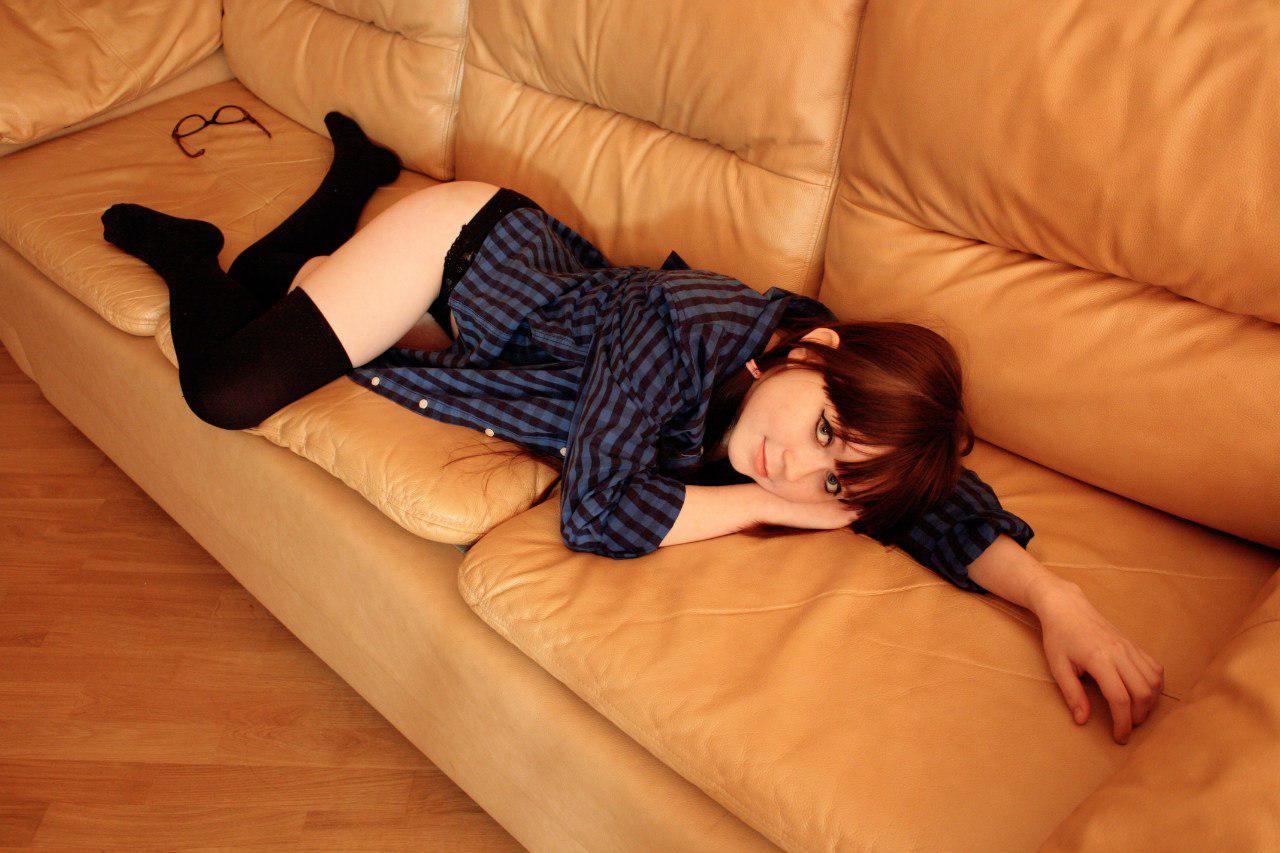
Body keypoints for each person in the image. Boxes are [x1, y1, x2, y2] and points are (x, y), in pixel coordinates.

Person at [100, 111, 1163, 744]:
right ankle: (195, 253)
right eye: (824, 428)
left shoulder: (815, 416)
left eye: (836, 476)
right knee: (226, 387)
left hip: (501, 338)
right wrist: (778, 506)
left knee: (277, 290)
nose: (798, 465)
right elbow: (597, 515)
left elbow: (934, 502)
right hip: (466, 255)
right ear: (815, 349)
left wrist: (1056, 601)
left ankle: (351, 177)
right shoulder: (688, 324)